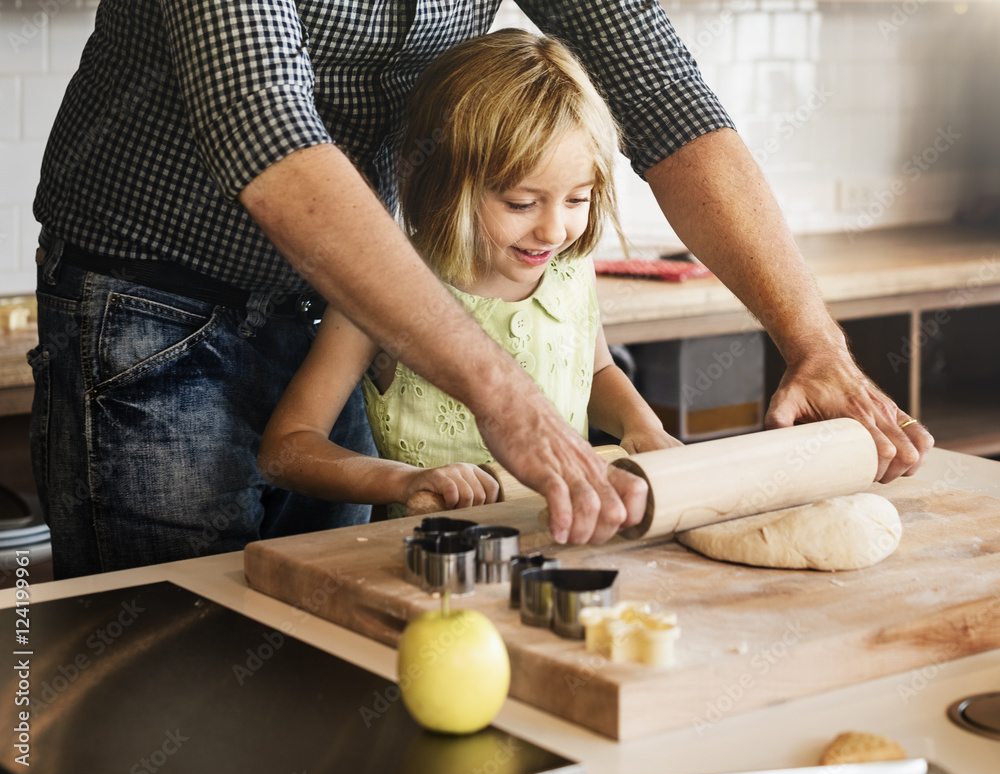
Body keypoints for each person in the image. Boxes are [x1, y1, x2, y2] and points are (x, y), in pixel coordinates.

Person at [30, 2, 933, 579]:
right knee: (182, 663)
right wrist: (504, 389)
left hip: (349, 296)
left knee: (322, 632)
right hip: (153, 305)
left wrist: (812, 342)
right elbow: (265, 122)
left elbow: (663, 94)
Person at [258, 30, 679, 521]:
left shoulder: (570, 270)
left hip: (560, 541)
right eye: (521, 203)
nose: (553, 229)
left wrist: (640, 424)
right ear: (444, 185)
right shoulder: (381, 289)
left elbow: (599, 372)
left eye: (577, 199)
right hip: (431, 561)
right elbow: (286, 449)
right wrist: (404, 481)